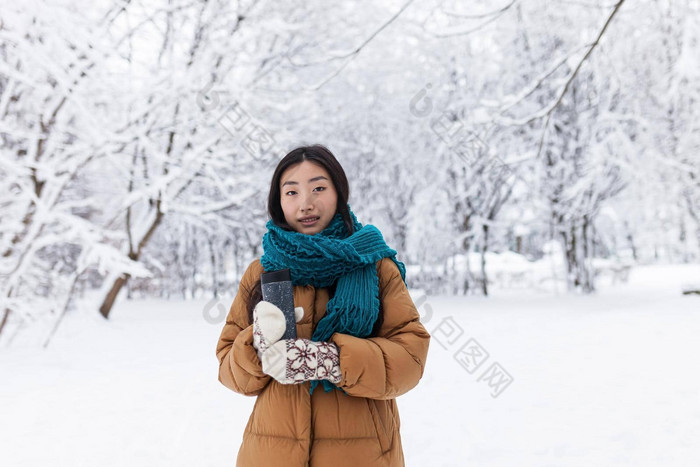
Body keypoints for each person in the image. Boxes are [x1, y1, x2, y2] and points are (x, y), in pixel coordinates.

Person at [215, 144, 431, 467]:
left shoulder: (374, 266)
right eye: (292, 192)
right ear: (279, 201)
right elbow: (228, 368)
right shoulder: (264, 272)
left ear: (338, 192)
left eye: (318, 188)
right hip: (271, 455)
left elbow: (411, 357)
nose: (306, 203)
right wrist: (256, 348)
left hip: (363, 456)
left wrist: (332, 361)